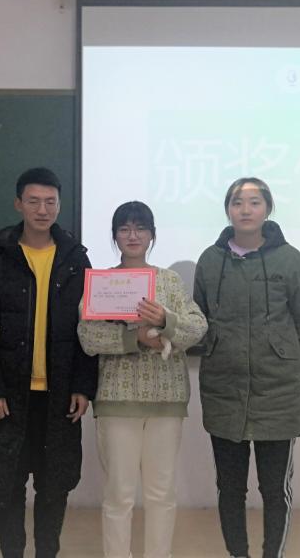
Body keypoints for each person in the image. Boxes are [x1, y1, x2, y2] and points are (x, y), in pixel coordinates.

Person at [0, 167, 98, 558]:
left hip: (58, 397)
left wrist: (83, 386)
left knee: (54, 489)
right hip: (10, 396)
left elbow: (90, 329)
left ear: (59, 205)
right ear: (19, 204)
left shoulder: (76, 260)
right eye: (34, 201)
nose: (42, 209)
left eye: (50, 202)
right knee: (8, 487)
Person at [77, 201, 207, 558]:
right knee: (118, 495)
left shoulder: (169, 281)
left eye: (140, 228)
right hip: (117, 401)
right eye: (124, 229)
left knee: (161, 494)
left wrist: (165, 320)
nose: (132, 235)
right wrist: (135, 339)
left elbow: (197, 327)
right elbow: (88, 337)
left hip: (166, 400)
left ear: (152, 235)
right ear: (115, 236)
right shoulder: (102, 282)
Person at [194, 177, 300, 558]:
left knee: (275, 489)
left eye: (254, 202)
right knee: (229, 488)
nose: (245, 210)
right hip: (223, 390)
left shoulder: (290, 260)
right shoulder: (210, 261)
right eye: (237, 202)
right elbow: (200, 319)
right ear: (227, 209)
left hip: (277, 393)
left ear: (268, 208)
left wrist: (278, 353)